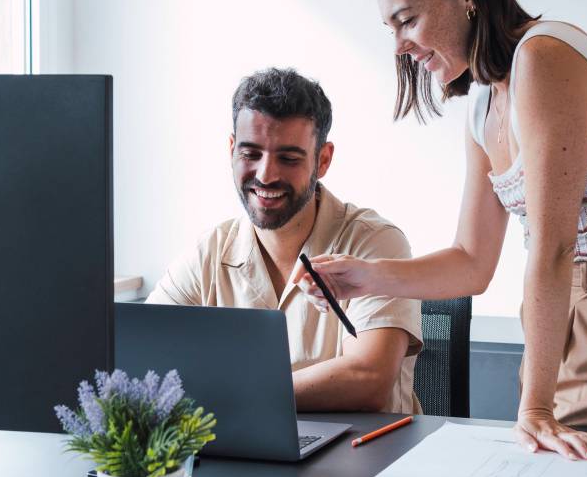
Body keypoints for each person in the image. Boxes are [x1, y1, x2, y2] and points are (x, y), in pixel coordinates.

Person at [297, 0, 587, 459]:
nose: (399, 45)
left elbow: (554, 247)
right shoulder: (483, 104)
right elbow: (472, 263)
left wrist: (535, 408)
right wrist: (364, 278)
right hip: (557, 320)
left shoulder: (545, 56)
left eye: (407, 19)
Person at [147, 67, 423, 415]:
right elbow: (145, 360)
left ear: (322, 160)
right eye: (250, 154)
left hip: (367, 460)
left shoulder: (376, 243)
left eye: (289, 158)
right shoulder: (210, 251)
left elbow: (367, 378)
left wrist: (231, 396)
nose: (266, 175)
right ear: (232, 149)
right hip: (244, 458)